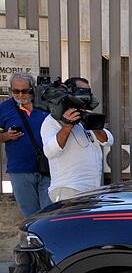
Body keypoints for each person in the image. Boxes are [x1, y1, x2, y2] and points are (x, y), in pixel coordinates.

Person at [41, 77, 114, 202]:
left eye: (87, 91)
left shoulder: (84, 116)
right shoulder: (52, 121)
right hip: (68, 190)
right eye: (81, 91)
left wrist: (94, 125)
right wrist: (67, 125)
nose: (85, 96)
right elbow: (50, 151)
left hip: (92, 189)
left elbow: (108, 140)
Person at [0, 73, 52, 216]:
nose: (20, 95)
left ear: (32, 89)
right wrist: (6, 135)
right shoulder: (4, 108)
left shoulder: (45, 105)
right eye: (16, 91)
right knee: (31, 216)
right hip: (20, 171)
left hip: (50, 168)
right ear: (11, 90)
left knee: (49, 214)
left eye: (25, 91)